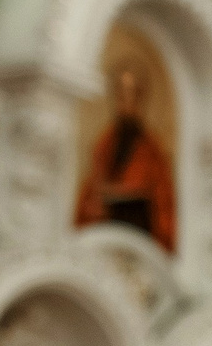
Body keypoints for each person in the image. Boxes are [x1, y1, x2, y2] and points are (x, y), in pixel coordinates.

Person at [74, 61, 178, 249]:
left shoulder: (152, 152)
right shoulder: (104, 146)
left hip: (137, 240)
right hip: (103, 240)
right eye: (121, 94)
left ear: (141, 98)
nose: (125, 101)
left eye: (132, 94)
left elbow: (163, 208)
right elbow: (90, 198)